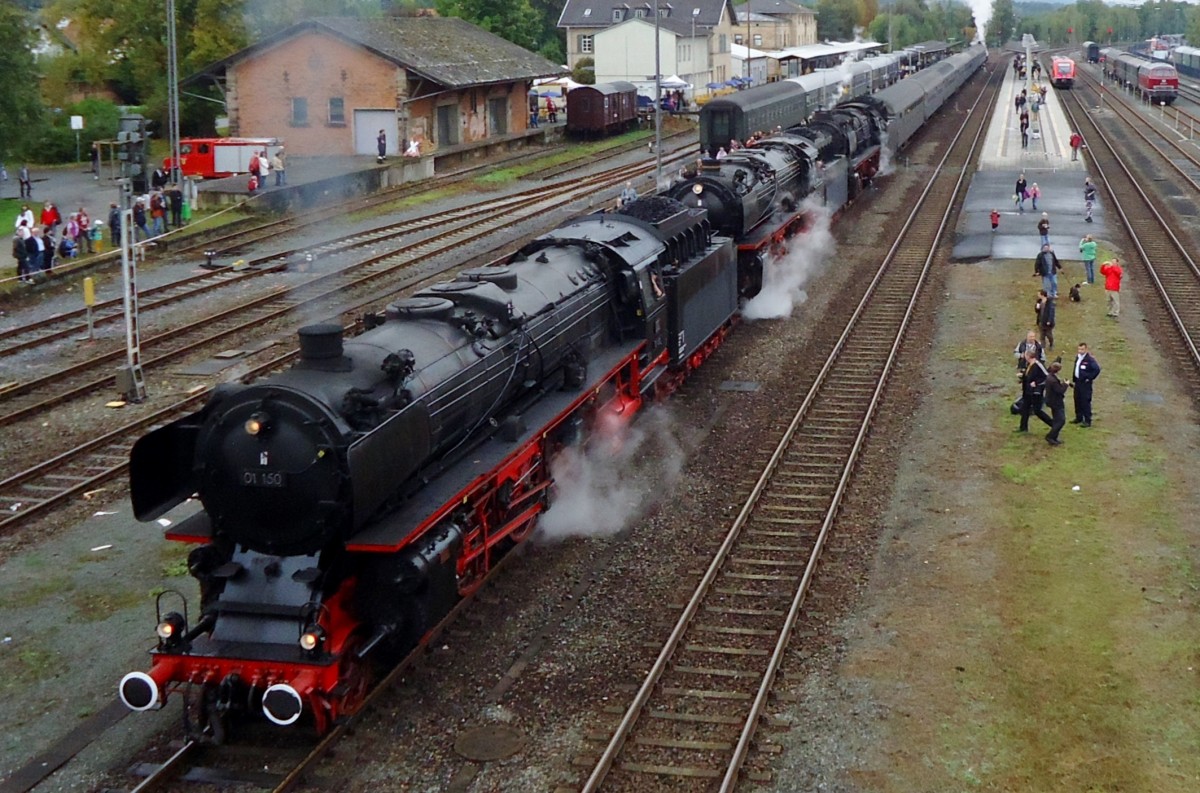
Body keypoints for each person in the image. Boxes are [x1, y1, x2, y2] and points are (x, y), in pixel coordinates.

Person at [1016, 347, 1053, 432]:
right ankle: (1023, 428)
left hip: (1035, 392)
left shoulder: (1038, 364)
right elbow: (1029, 376)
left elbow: (1047, 376)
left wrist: (1036, 383)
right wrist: (1022, 377)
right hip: (1027, 392)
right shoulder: (1029, 364)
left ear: (1028, 356)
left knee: (1037, 411)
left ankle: (1053, 424)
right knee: (1025, 409)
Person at [1071, 342, 1101, 427]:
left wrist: (1089, 378)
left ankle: (1087, 420)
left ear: (1086, 349)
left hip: (1085, 384)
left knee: (1085, 401)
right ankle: (1078, 417)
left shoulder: (1090, 359)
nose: (1080, 351)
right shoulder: (1078, 357)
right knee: (1077, 400)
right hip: (1077, 382)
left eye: (1082, 349)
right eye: (1079, 349)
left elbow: (1097, 369)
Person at [1043, 361, 1069, 446]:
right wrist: (1065, 385)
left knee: (1056, 419)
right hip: (1056, 402)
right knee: (1061, 420)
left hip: (1051, 401)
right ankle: (1050, 436)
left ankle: (1054, 438)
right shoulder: (1053, 380)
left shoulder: (1049, 377)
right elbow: (1060, 390)